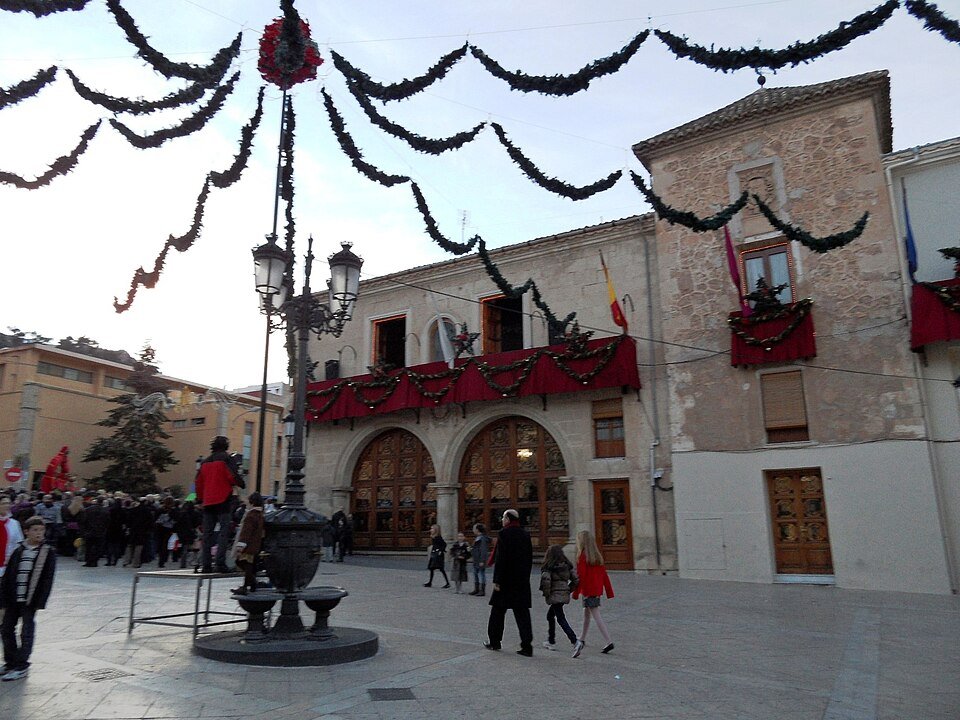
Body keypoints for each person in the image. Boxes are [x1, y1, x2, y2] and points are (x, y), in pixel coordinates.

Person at [0, 517, 56, 681]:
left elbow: (47, 579)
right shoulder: (19, 550)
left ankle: (22, 664)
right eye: (35, 530)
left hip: (30, 599)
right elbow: (8, 575)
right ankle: (10, 661)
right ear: (26, 532)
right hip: (13, 597)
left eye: (41, 530)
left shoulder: (47, 552)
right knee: (6, 629)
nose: (39, 533)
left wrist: (40, 601)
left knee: (26, 631)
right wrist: (3, 599)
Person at [484, 509, 534, 657]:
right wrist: (525, 577)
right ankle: (527, 646)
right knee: (522, 614)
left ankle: (495, 641)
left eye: (503, 517)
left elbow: (501, 559)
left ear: (508, 519)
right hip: (521, 580)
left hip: (506, 581)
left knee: (497, 612)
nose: (502, 520)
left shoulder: (504, 534)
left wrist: (497, 580)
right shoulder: (525, 534)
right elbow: (529, 558)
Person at [195, 436, 242, 574]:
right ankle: (220, 563)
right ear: (226, 446)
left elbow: (198, 482)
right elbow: (232, 476)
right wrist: (240, 482)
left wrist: (200, 499)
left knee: (207, 534)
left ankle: (206, 564)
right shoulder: (227, 459)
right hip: (223, 499)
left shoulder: (204, 462)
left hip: (208, 501)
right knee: (223, 531)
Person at [571, 530, 615, 658]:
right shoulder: (597, 556)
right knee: (587, 615)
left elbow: (581, 577)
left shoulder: (582, 557)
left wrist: (575, 592)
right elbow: (604, 576)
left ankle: (609, 641)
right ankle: (582, 638)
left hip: (588, 590)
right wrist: (609, 591)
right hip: (596, 590)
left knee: (596, 615)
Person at [539, 544, 578, 651]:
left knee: (560, 618)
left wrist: (547, 594)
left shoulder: (549, 567)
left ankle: (574, 640)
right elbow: (576, 580)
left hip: (555, 596)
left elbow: (546, 582)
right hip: (562, 595)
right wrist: (568, 590)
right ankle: (551, 640)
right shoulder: (567, 566)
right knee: (550, 616)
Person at [230, 493, 265, 595]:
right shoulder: (260, 514)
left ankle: (250, 584)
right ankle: (250, 584)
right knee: (249, 564)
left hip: (248, 544)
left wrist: (241, 545)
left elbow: (246, 531)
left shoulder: (251, 515)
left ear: (252, 502)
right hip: (255, 544)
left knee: (241, 562)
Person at [78, 497, 108, 568]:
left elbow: (83, 521)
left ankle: (88, 561)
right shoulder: (105, 511)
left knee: (89, 547)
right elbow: (107, 522)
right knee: (97, 547)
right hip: (100, 532)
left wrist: (83, 531)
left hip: (89, 531)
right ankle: (95, 561)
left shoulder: (87, 510)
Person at [469, 523, 491, 596]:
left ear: (477, 530)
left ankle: (482, 590)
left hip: (480, 559)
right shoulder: (477, 538)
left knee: (481, 574)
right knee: (475, 574)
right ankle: (476, 589)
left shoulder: (482, 539)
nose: (473, 530)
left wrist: (482, 560)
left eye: (474, 528)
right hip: (476, 559)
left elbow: (483, 550)